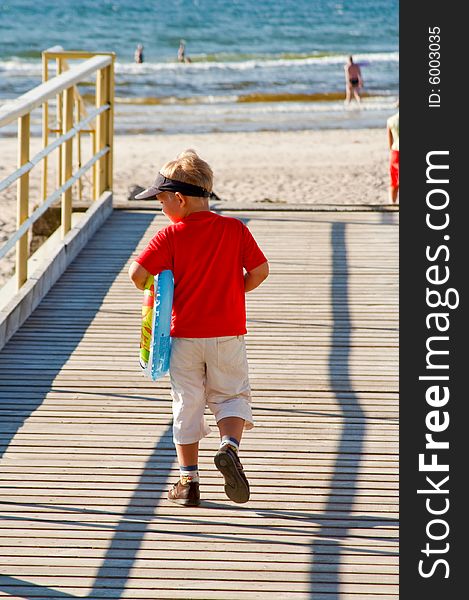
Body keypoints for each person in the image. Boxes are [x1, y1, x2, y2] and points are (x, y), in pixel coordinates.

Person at [128, 150, 269, 507]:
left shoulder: (169, 237)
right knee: (231, 396)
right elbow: (260, 271)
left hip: (184, 337)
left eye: (161, 201)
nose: (160, 208)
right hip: (228, 333)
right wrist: (234, 288)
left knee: (187, 404)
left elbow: (137, 275)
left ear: (179, 199)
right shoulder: (234, 229)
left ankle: (188, 482)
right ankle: (228, 447)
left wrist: (158, 291)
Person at [386, 101, 399, 203]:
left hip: (395, 152)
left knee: (394, 181)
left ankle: (392, 203)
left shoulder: (391, 120)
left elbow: (390, 142)